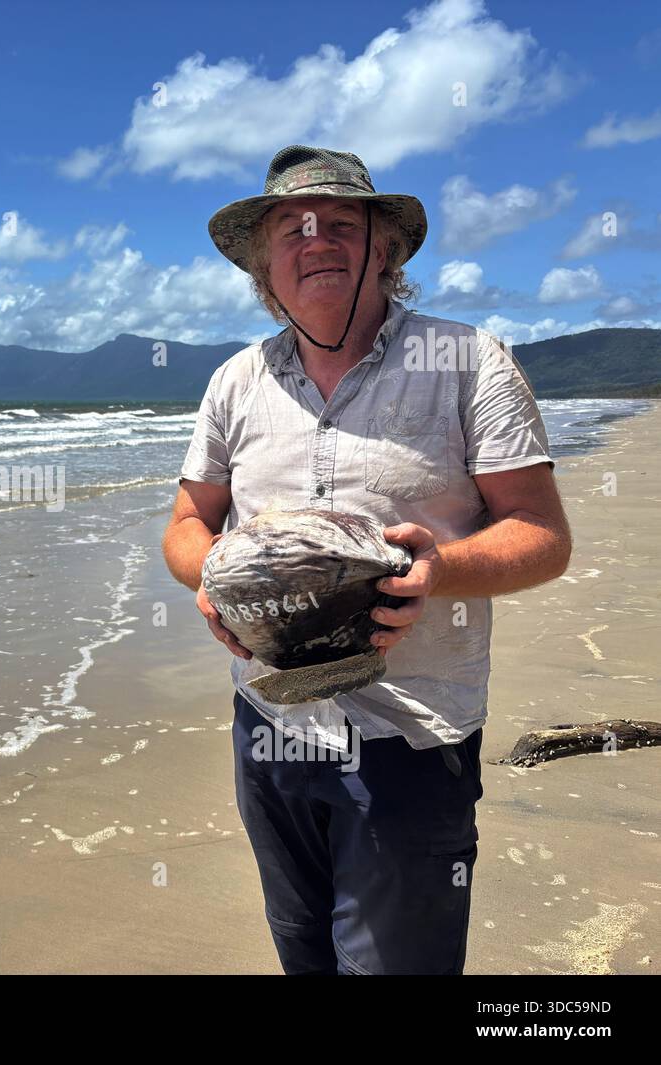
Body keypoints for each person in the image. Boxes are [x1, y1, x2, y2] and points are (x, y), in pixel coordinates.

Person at [162, 144, 572, 974]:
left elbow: (542, 534)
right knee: (303, 952)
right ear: (263, 268)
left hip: (412, 740)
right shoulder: (234, 384)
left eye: (342, 223)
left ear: (384, 249)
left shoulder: (467, 361)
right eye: (291, 229)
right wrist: (210, 578)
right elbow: (185, 522)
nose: (316, 240)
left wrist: (442, 568)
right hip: (270, 729)